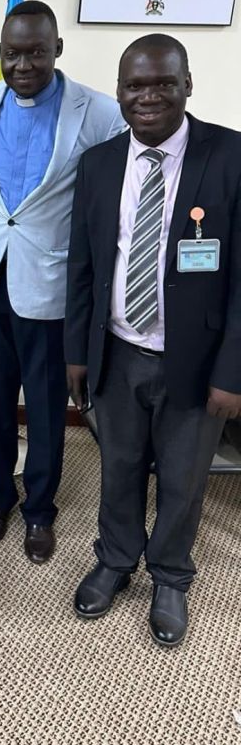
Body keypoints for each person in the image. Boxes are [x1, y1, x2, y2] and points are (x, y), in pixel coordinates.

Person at [66, 34, 241, 647]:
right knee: (118, 467)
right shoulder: (98, 164)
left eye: (163, 83)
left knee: (182, 478)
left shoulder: (230, 156)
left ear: (187, 85)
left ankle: (170, 575)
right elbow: (83, 266)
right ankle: (115, 560)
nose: (148, 97)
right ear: (119, 92)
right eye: (135, 85)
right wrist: (77, 353)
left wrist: (233, 372)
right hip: (117, 352)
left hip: (197, 361)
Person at [0, 0, 124, 563]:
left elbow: (131, 164)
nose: (24, 64)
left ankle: (39, 510)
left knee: (45, 408)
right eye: (13, 54)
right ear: (1, 53)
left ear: (57, 48)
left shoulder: (98, 110)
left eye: (36, 52)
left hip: (49, 285)